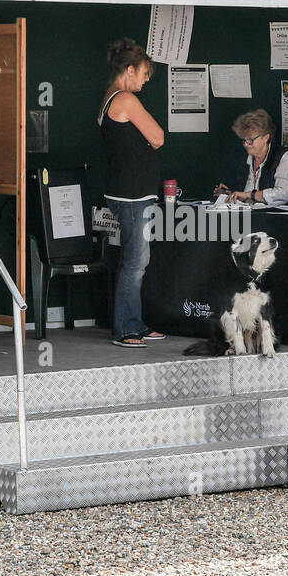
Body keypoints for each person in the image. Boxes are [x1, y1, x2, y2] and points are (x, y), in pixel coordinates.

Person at [98, 38, 166, 348]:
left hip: (127, 192)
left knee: (136, 261)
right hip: (132, 195)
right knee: (135, 263)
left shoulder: (109, 97)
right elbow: (157, 136)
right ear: (129, 70)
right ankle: (125, 328)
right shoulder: (124, 99)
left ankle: (135, 322)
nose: (146, 79)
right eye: (143, 73)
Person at [212, 108, 288, 206]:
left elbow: (284, 194)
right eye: (244, 140)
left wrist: (249, 195)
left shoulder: (284, 156)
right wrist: (229, 193)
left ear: (266, 137)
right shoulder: (243, 157)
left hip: (274, 218)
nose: (246, 144)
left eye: (250, 140)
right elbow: (242, 191)